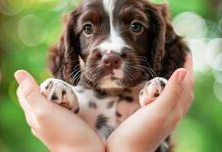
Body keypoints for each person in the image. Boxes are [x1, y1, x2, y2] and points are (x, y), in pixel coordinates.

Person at [15, 54, 194, 152]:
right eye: (88, 29)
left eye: (135, 27)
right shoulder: (76, 90)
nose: (110, 51)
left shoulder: (149, 82)